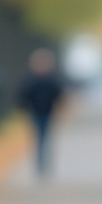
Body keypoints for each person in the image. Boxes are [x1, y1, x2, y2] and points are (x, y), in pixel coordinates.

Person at [17, 48, 64, 177]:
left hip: (48, 113)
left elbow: (58, 95)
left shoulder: (51, 79)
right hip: (35, 112)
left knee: (45, 137)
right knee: (39, 137)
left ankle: (44, 161)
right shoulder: (31, 79)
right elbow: (24, 96)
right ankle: (40, 161)